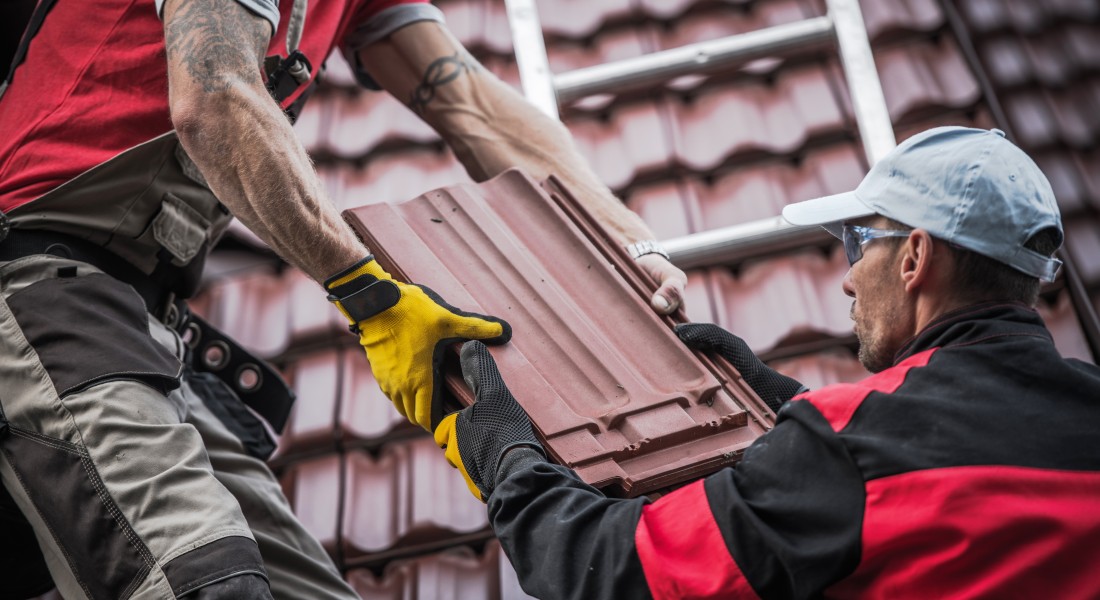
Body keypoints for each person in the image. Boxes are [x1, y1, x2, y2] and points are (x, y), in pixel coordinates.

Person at [0, 0, 687, 597]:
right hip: (36, 289)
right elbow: (215, 101)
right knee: (208, 581)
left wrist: (628, 247)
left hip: (138, 322)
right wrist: (373, 297)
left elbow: (472, 106)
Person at [435, 126, 1100, 599]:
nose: (846, 279)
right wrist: (787, 406)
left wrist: (511, 461)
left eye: (856, 242)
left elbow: (606, 571)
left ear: (913, 258)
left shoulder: (847, 449)